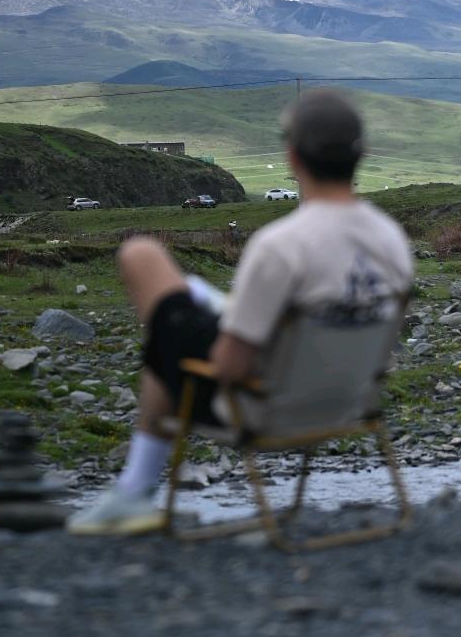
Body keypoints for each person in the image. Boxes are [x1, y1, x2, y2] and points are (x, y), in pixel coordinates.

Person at [67, 89, 414, 535]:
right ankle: (132, 491)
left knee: (150, 277)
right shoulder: (392, 239)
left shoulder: (281, 246)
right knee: (186, 306)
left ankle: (134, 491)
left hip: (264, 409)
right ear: (361, 154)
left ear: (292, 157)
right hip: (348, 404)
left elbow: (229, 367)